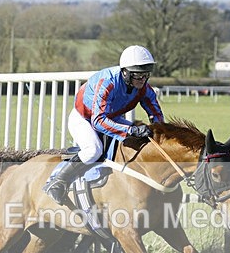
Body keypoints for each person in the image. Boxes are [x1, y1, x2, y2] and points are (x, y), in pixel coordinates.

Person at [43, 45, 164, 205]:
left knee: (140, 141)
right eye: (138, 76)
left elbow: (156, 115)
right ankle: (57, 183)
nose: (142, 80)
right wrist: (130, 130)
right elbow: (98, 121)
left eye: (145, 75)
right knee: (94, 150)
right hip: (84, 118)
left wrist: (157, 131)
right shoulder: (108, 82)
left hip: (111, 117)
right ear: (126, 72)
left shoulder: (144, 89)